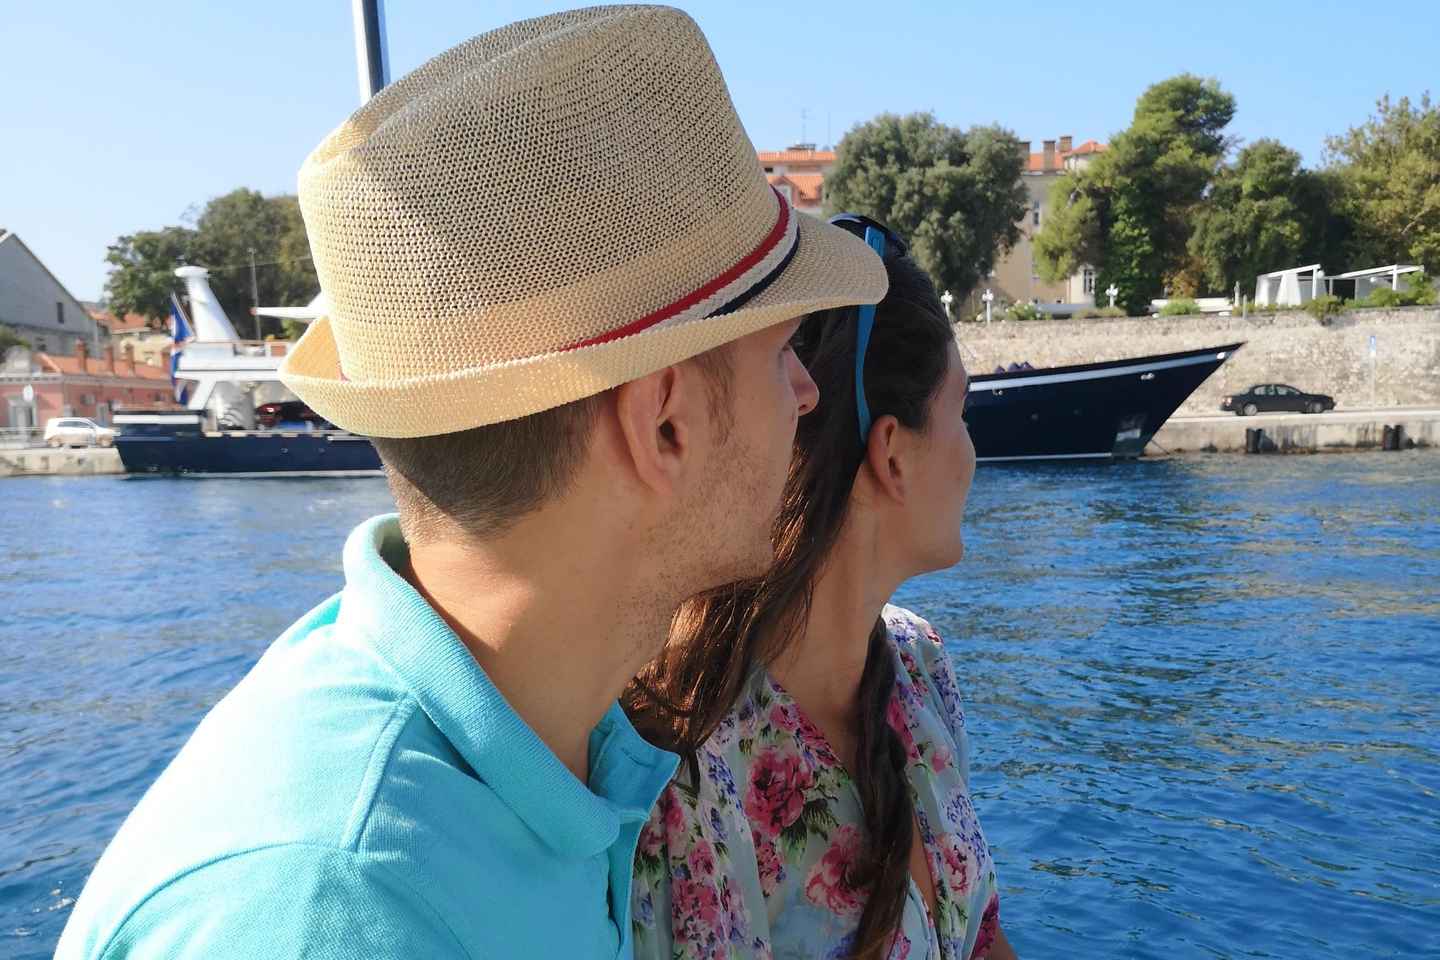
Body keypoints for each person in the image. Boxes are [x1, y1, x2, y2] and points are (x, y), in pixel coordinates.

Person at [55, 8, 886, 959]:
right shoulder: (332, 909)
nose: (807, 392)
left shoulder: (547, 747)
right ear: (666, 424)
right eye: (782, 350)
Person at [627, 216, 1017, 959]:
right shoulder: (680, 756)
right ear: (892, 454)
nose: (972, 451)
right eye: (960, 412)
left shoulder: (919, 662)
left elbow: (982, 935)